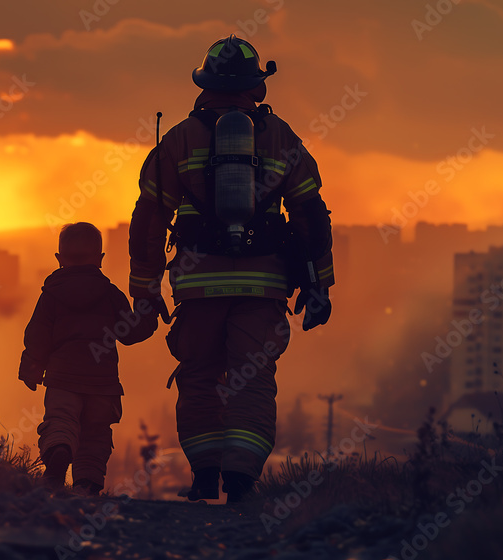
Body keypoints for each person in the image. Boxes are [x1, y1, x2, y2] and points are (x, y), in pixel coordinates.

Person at [128, 35, 335, 503]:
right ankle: (241, 483)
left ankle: (205, 475)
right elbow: (310, 214)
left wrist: (145, 288)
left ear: (203, 84)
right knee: (252, 378)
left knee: (199, 375)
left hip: (198, 288)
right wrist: (320, 285)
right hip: (263, 287)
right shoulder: (281, 136)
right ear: (256, 88)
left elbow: (149, 220)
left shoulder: (179, 137)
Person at [19, 222, 158, 495]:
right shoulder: (111, 295)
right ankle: (87, 483)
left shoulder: (50, 297)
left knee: (61, 420)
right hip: (102, 383)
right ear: (101, 259)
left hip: (62, 379)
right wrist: (149, 310)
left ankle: (59, 450)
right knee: (95, 434)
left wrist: (31, 368)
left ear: (59, 259)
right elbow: (131, 333)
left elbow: (37, 337)